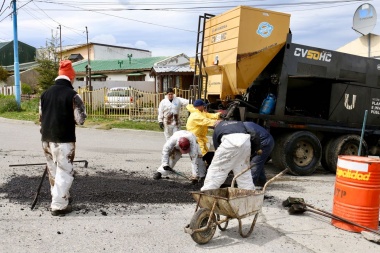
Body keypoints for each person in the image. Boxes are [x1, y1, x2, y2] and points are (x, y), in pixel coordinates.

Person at [39, 60, 87, 216]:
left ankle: (58, 198)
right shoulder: (73, 95)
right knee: (64, 171)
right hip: (64, 139)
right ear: (71, 78)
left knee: (53, 171)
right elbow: (80, 119)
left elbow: (41, 117)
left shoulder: (44, 94)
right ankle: (59, 205)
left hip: (46, 138)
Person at [201, 121, 261, 191]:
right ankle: (249, 193)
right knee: (243, 171)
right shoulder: (239, 123)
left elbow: (217, 147)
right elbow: (254, 133)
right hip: (245, 142)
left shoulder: (217, 129)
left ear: (215, 126)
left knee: (217, 170)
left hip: (229, 142)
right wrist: (256, 149)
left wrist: (225, 162)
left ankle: (207, 191)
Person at [243, 121, 274, 187]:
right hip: (265, 140)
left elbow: (254, 136)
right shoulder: (243, 124)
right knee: (259, 163)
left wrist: (257, 149)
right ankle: (262, 182)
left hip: (264, 143)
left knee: (255, 164)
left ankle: (249, 187)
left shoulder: (243, 128)